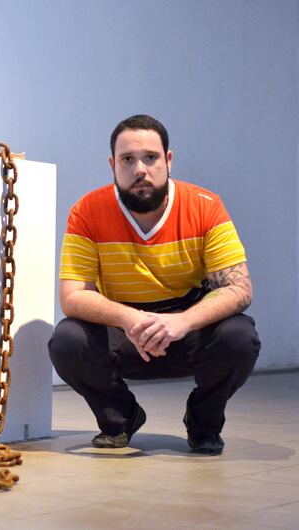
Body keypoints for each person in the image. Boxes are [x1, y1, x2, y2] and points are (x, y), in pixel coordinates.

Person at [48, 114, 260, 454]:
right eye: (127, 160)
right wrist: (129, 319)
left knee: (239, 337)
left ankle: (204, 424)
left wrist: (182, 322)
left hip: (186, 331)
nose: (140, 169)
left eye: (150, 157)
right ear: (112, 165)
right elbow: (72, 297)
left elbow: (239, 288)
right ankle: (121, 418)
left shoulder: (205, 206)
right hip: (125, 332)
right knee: (66, 339)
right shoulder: (87, 211)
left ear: (168, 160)